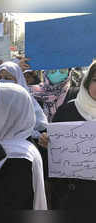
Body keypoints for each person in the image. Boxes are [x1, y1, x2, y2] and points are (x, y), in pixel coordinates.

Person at [38, 60, 96, 209]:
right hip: (70, 198)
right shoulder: (67, 111)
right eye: (95, 80)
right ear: (86, 82)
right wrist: (47, 143)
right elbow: (52, 159)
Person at [0, 61, 48, 140]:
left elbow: (41, 125)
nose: (2, 81)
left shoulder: (29, 104)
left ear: (19, 81)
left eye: (8, 78)